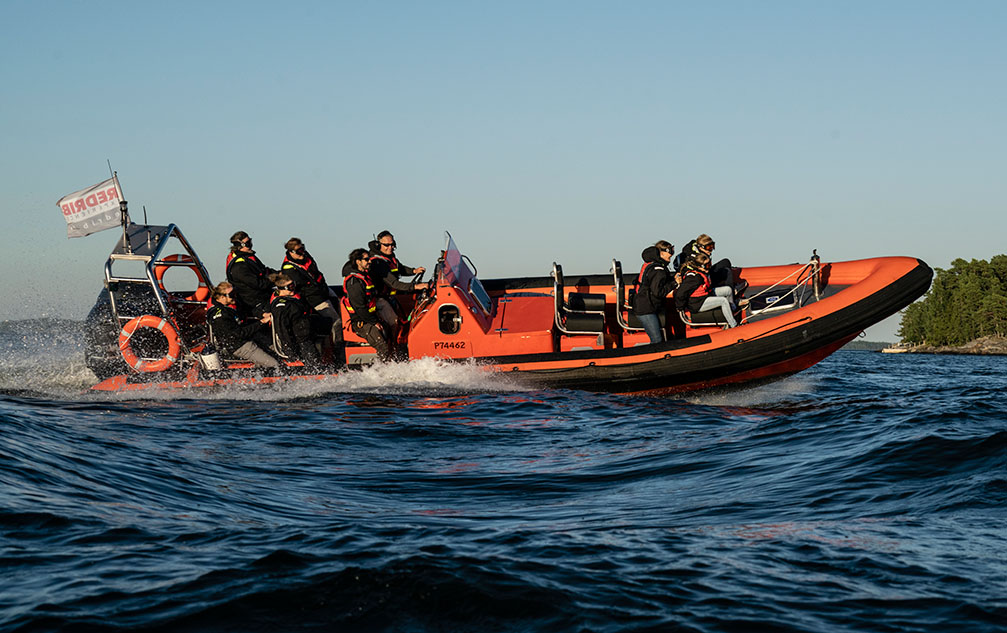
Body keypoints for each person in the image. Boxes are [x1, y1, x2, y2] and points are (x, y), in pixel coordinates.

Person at [280, 237, 344, 351]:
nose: (302, 253)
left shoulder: (305, 256)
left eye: (303, 248)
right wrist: (319, 291)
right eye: (299, 251)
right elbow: (306, 287)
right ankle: (339, 351)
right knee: (336, 321)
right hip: (314, 298)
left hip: (323, 289)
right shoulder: (289, 269)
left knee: (342, 307)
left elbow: (316, 273)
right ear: (291, 252)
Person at [367, 230, 429, 337]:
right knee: (394, 322)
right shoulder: (377, 262)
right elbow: (395, 284)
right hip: (379, 299)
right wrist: (415, 286)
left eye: (392, 244)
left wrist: (414, 271)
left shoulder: (390, 257)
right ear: (378, 245)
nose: (390, 247)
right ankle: (394, 348)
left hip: (390, 297)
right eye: (386, 245)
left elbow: (399, 268)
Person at [206, 283, 279, 368]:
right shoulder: (220, 316)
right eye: (232, 294)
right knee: (274, 364)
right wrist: (261, 322)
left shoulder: (232, 304)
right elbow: (238, 334)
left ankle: (259, 370)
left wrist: (263, 314)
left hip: (249, 336)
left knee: (276, 350)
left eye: (235, 293)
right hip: (239, 345)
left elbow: (248, 310)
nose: (235, 296)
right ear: (222, 297)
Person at [268, 273, 328, 368]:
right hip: (300, 340)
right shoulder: (281, 306)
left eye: (293, 285)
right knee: (314, 365)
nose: (293, 289)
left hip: (307, 334)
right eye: (290, 287)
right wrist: (289, 350)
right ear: (282, 289)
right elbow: (282, 329)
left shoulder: (292, 299)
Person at [342, 248, 392, 361]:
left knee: (389, 335)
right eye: (366, 259)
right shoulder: (354, 282)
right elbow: (359, 308)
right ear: (358, 262)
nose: (370, 261)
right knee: (382, 346)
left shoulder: (365, 277)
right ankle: (381, 372)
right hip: (361, 322)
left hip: (370, 318)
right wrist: (374, 323)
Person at [674, 253, 748, 328]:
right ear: (700, 267)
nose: (709, 267)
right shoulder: (694, 278)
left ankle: (733, 309)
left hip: (706, 294)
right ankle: (734, 325)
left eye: (710, 264)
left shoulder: (703, 272)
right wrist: (680, 307)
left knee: (728, 290)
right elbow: (680, 293)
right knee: (723, 301)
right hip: (698, 303)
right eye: (707, 265)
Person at [632, 240, 680, 344]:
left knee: (660, 338)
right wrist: (674, 283)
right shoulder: (658, 269)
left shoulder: (654, 265)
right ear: (662, 253)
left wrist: (673, 279)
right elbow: (658, 291)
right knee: (657, 340)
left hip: (647, 305)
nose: (671, 254)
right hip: (645, 309)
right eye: (670, 252)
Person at [226, 231, 276, 317]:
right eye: (248, 243)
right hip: (255, 302)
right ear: (240, 246)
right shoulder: (239, 267)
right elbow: (258, 284)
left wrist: (280, 274)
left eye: (250, 241)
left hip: (264, 296)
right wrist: (276, 280)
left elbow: (264, 271)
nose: (251, 245)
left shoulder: (249, 258)